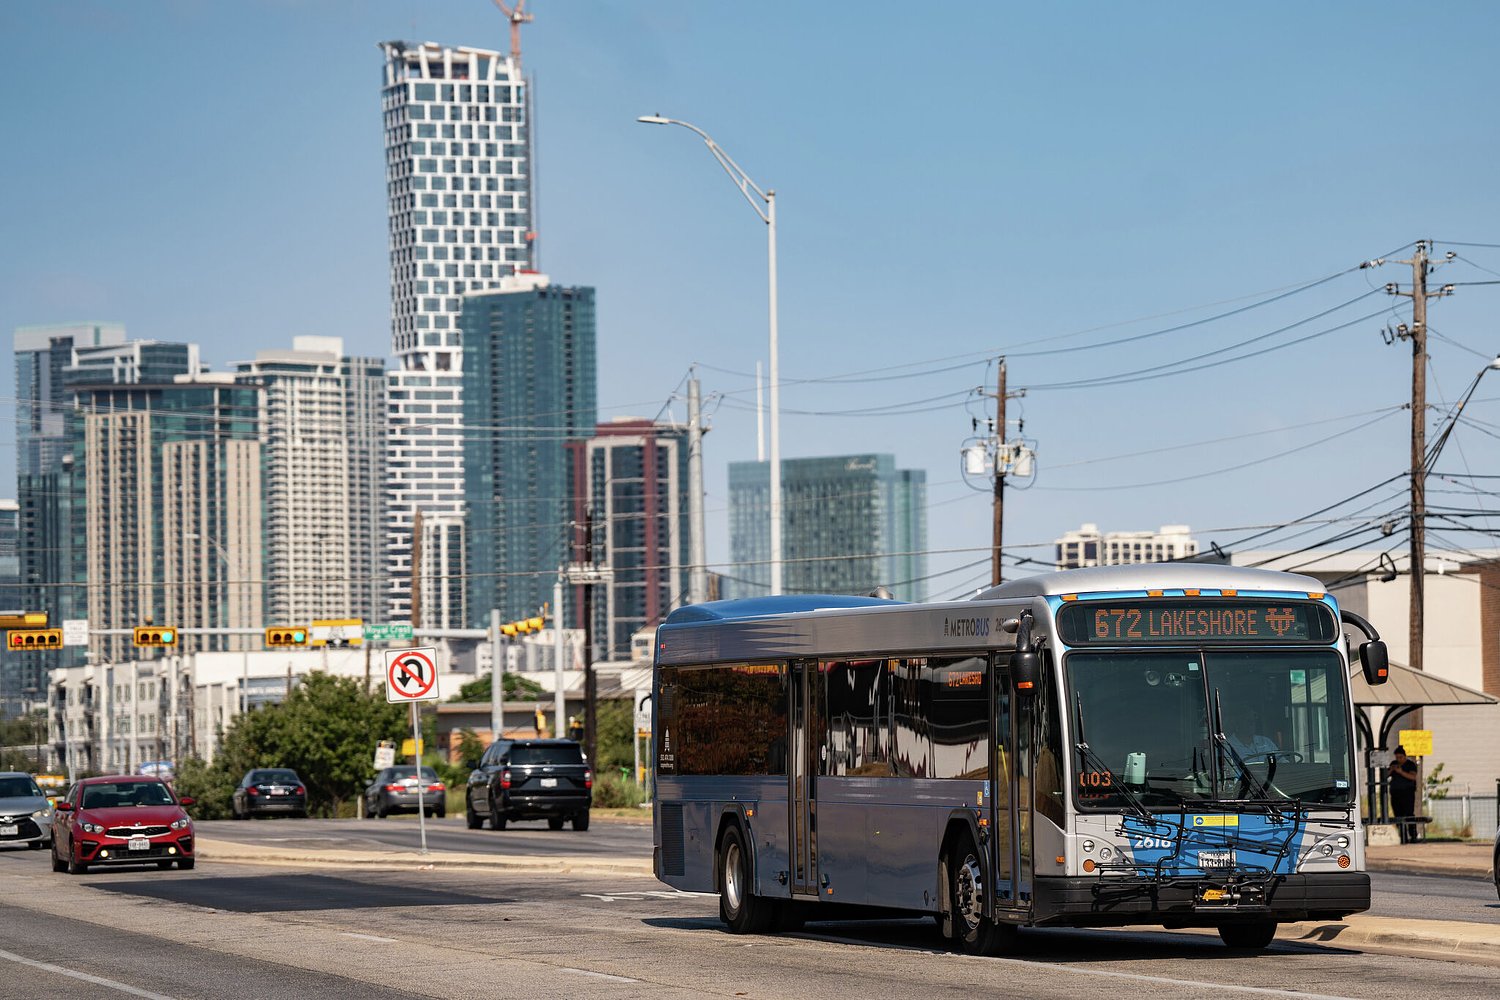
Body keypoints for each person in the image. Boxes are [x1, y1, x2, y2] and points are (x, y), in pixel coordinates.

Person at [1387, 745, 1420, 843]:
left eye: (1400, 757)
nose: (1398, 760)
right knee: (1398, 815)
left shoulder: (1410, 765)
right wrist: (1392, 770)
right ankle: (1403, 836)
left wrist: (1401, 772)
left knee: (1409, 814)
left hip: (1407, 793)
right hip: (1395, 793)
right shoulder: (1394, 764)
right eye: (1397, 757)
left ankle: (1413, 835)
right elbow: (1385, 775)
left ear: (1404, 756)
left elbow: (1413, 777)